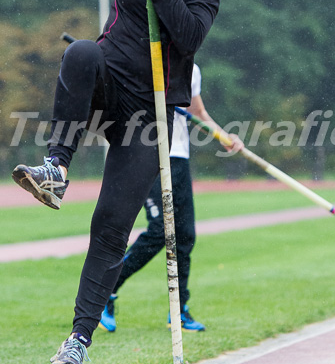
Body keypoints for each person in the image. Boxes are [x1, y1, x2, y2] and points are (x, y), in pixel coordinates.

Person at [12, 0, 228, 364]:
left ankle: (78, 340)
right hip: (110, 80)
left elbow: (188, 38)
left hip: (151, 113)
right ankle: (56, 166)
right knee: (81, 52)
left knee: (111, 224)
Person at [100, 64, 244, 333]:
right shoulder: (141, 60)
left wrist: (224, 137)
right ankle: (105, 291)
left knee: (185, 235)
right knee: (159, 231)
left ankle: (178, 311)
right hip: (146, 154)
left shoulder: (192, 69)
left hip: (179, 157)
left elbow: (198, 112)